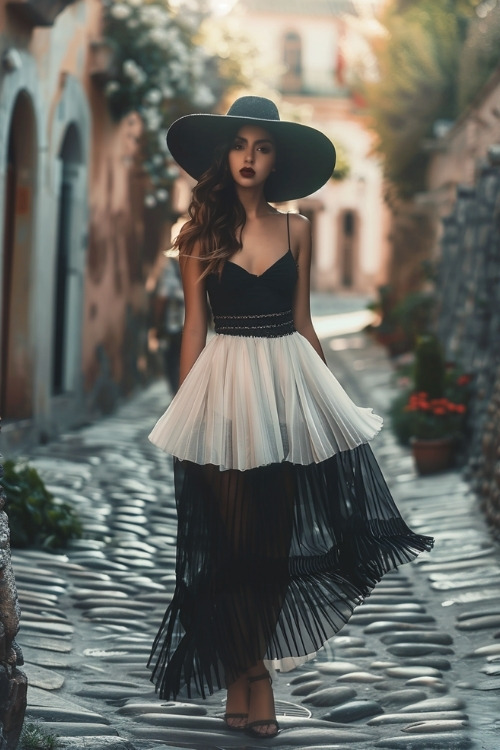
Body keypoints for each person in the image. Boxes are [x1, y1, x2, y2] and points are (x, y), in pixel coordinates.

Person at [147, 96, 434, 739]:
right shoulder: (198, 234)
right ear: (224, 155)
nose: (249, 157)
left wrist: (325, 403)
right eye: (240, 145)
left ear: (276, 160)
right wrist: (189, 412)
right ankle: (247, 674)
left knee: (272, 546)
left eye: (263, 147)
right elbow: (195, 328)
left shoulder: (298, 229)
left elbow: (304, 322)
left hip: (285, 389)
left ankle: (256, 676)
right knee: (231, 548)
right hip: (221, 392)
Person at [153, 248, 185, 394]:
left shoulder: (170, 269)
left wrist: (157, 322)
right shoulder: (199, 266)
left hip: (174, 327)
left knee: (172, 362)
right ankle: (180, 395)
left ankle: (177, 395)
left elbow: (162, 297)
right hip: (182, 326)